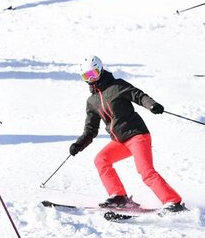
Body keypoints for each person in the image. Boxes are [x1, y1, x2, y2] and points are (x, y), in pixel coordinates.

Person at [69, 56, 185, 214]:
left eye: (93, 74)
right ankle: (119, 196)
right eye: (86, 76)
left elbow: (138, 95)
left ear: (100, 70)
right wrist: (79, 144)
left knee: (146, 172)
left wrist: (152, 105)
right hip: (119, 141)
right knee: (101, 160)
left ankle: (173, 202)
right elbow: (91, 129)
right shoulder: (92, 101)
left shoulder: (117, 86)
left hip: (137, 135)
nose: (91, 79)